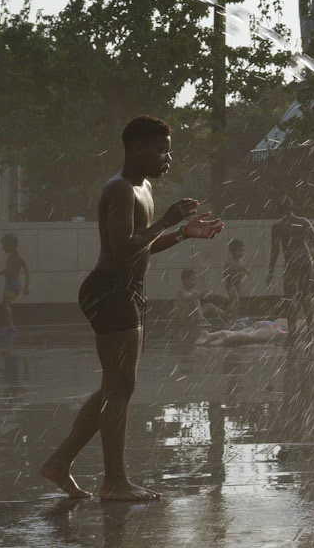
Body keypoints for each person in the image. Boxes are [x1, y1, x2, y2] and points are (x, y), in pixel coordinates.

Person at [39, 117, 221, 500]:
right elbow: (121, 250)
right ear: (136, 148)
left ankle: (59, 463)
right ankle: (114, 482)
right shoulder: (120, 190)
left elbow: (143, 244)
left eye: (167, 149)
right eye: (159, 149)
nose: (166, 157)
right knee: (121, 388)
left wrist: (182, 233)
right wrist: (169, 220)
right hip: (110, 292)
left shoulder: (144, 188)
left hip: (127, 293)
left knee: (114, 385)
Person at [267, 201, 314, 341]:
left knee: (290, 297)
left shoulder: (277, 226)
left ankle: (293, 331)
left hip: (291, 263)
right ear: (292, 208)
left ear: (279, 210)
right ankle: (311, 329)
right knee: (306, 295)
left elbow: (274, 251)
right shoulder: (304, 222)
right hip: (305, 261)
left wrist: (271, 272)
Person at [0, 232, 28, 338]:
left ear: (12, 244)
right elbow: (7, 270)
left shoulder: (18, 258)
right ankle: (8, 325)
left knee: (6, 304)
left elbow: (27, 271)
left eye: (4, 245)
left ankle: (11, 326)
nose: (3, 248)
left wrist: (26, 287)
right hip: (10, 284)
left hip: (13, 285)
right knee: (5, 304)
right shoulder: (10, 258)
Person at [202, 239, 248, 325]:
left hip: (238, 284)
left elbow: (243, 270)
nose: (242, 253)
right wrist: (233, 276)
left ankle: (234, 317)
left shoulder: (241, 261)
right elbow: (225, 275)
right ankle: (227, 315)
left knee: (237, 302)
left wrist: (245, 273)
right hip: (230, 284)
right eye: (239, 251)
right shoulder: (229, 262)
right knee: (235, 301)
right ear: (232, 251)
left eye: (242, 251)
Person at [171, 269, 204, 345]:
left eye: (196, 279)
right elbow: (187, 297)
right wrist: (202, 294)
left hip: (191, 318)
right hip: (182, 318)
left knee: (210, 306)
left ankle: (226, 315)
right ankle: (202, 319)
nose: (195, 282)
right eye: (193, 280)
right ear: (185, 281)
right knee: (196, 301)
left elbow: (198, 295)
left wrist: (216, 296)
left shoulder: (194, 292)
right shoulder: (181, 292)